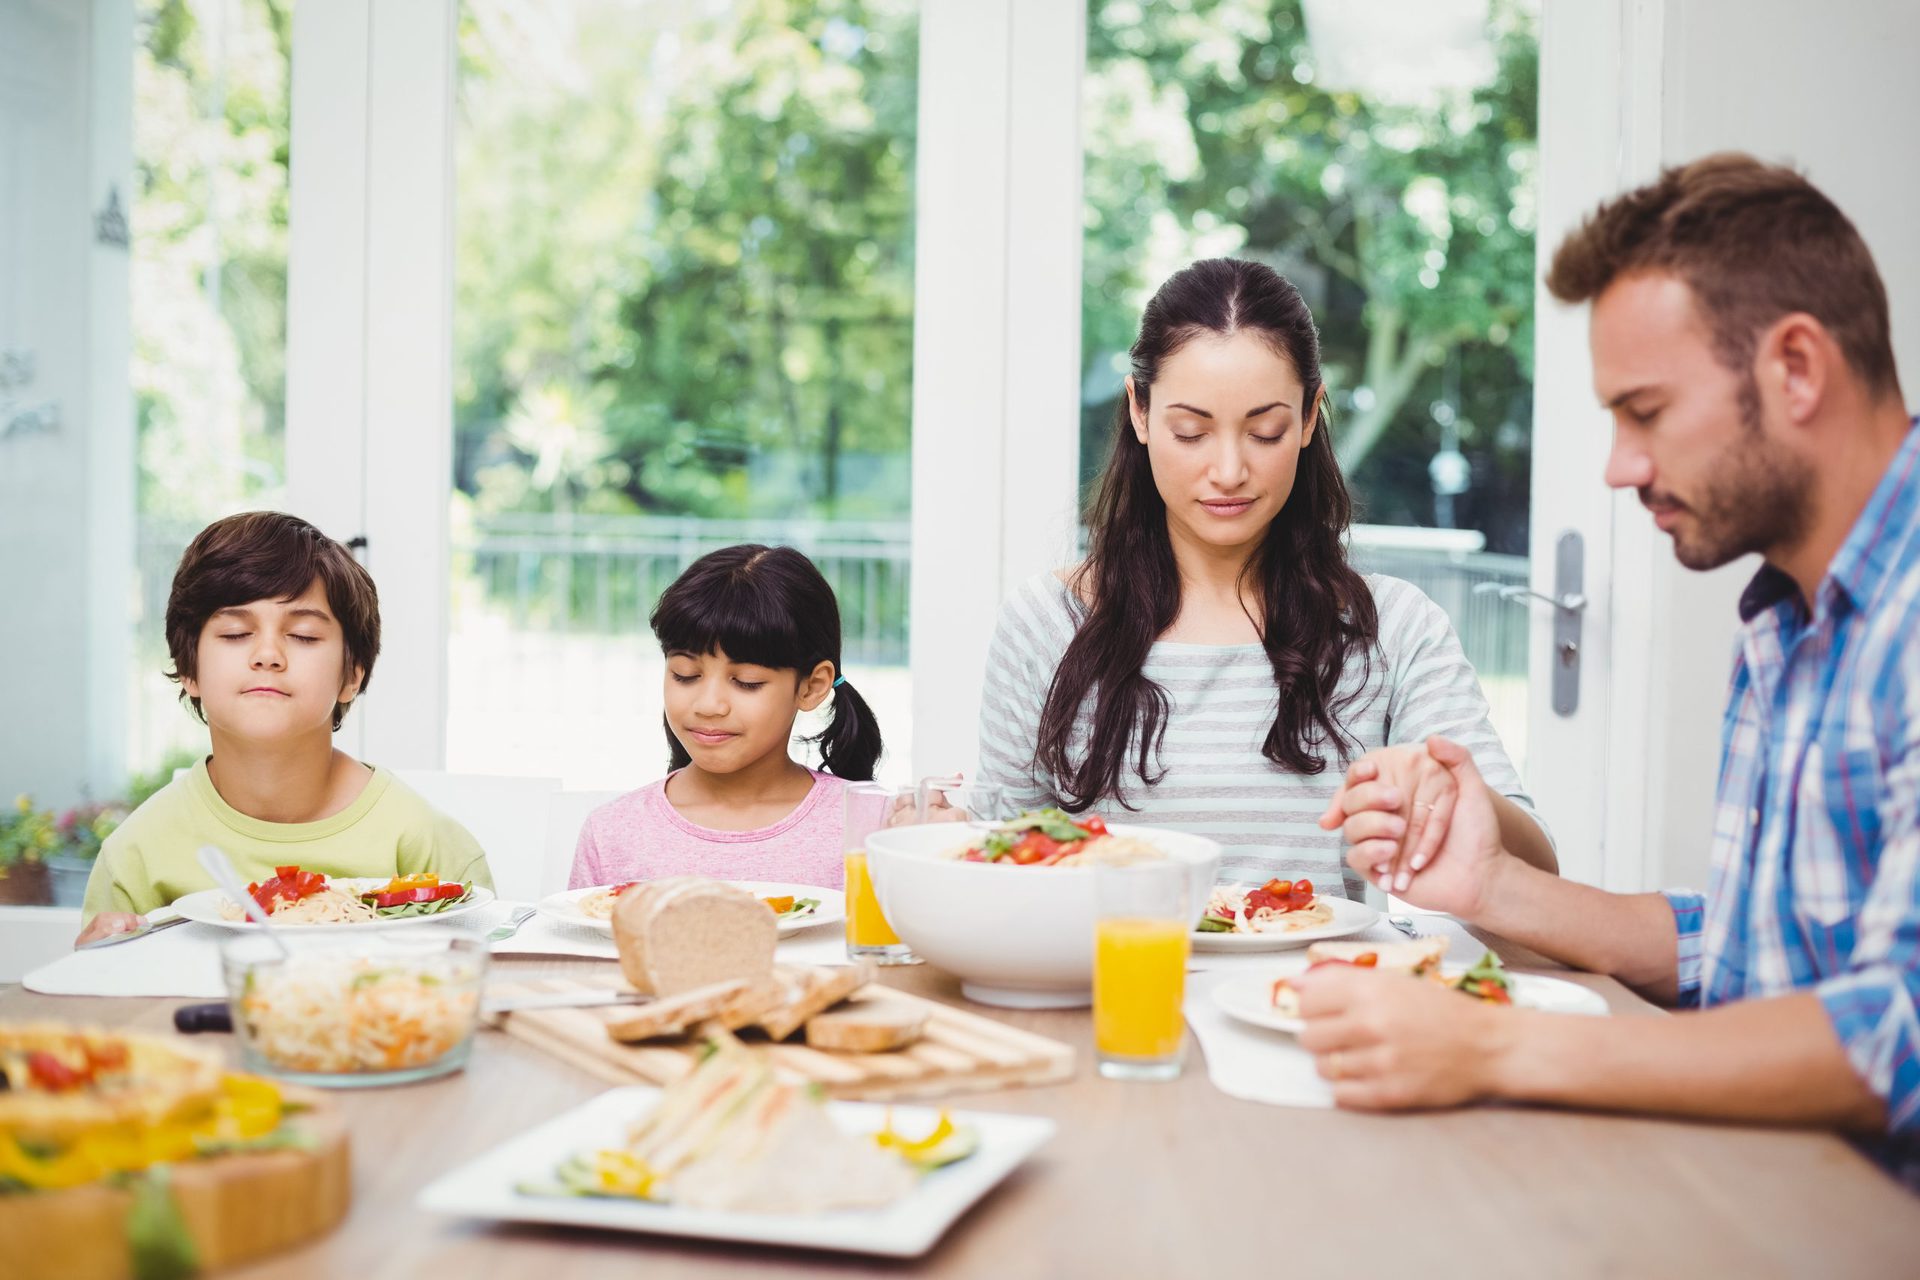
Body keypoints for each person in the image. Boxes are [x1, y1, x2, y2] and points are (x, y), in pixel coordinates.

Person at [1308, 154, 1918, 1184]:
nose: (1619, 466)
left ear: (1798, 369)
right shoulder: (1794, 615)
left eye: (1644, 411)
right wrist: (1492, 884)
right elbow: (1740, 952)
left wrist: (1492, 1043)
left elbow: (1894, 1027)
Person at [975, 257, 1555, 894]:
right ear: (1139, 413)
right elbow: (997, 859)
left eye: (1265, 431)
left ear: (1310, 417)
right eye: (1191, 432)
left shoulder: (1392, 628)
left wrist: (1455, 793)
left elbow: (1535, 874)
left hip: (1314, 992)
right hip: (1114, 989)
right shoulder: (1046, 622)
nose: (1229, 470)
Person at [76, 512, 493, 944]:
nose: (268, 654)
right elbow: (103, 994)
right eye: (236, 633)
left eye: (305, 636)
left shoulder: (425, 845)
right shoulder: (137, 853)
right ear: (189, 669)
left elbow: (481, 972)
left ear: (352, 674)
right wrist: (100, 956)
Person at [569, 544, 883, 891]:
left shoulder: (874, 829)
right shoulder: (613, 832)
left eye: (747, 682)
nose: (709, 705)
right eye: (685, 675)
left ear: (811, 687)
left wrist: (940, 863)